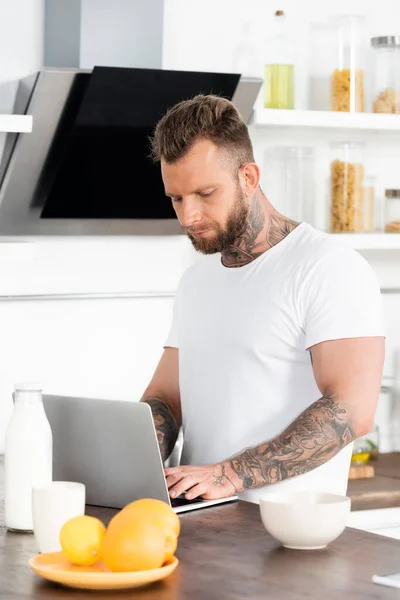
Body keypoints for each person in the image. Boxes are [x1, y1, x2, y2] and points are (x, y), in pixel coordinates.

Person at [140, 94, 385, 504]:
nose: (188, 217)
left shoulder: (329, 267)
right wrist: (126, 456)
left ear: (249, 178)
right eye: (176, 199)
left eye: (205, 193)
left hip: (290, 536)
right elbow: (166, 398)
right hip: (201, 524)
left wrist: (231, 473)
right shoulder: (196, 281)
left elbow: (351, 410)